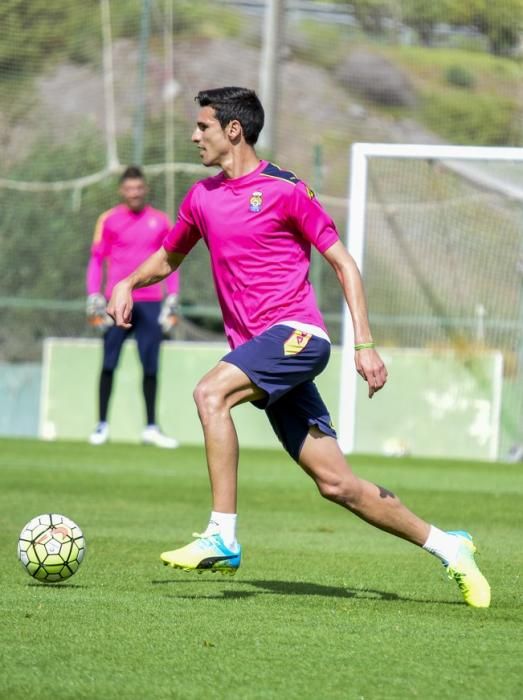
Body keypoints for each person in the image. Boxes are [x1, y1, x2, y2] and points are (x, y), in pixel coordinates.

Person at [107, 87, 490, 607]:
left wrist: (366, 344)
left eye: (203, 126)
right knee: (338, 485)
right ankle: (450, 546)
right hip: (264, 353)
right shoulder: (201, 198)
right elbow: (168, 258)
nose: (194, 135)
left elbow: (343, 264)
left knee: (209, 394)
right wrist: (128, 282)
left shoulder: (286, 190)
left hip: (298, 337)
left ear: (234, 131)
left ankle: (222, 532)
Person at [86, 165, 179, 448]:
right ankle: (101, 425)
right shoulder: (109, 220)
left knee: (150, 365)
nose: (134, 193)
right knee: (109, 363)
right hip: (117, 302)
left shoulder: (160, 220)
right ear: (121, 191)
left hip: (150, 302)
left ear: (145, 189)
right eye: (129, 189)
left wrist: (172, 298)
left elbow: (171, 261)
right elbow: (96, 259)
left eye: (139, 188)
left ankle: (151, 427)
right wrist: (94, 295)